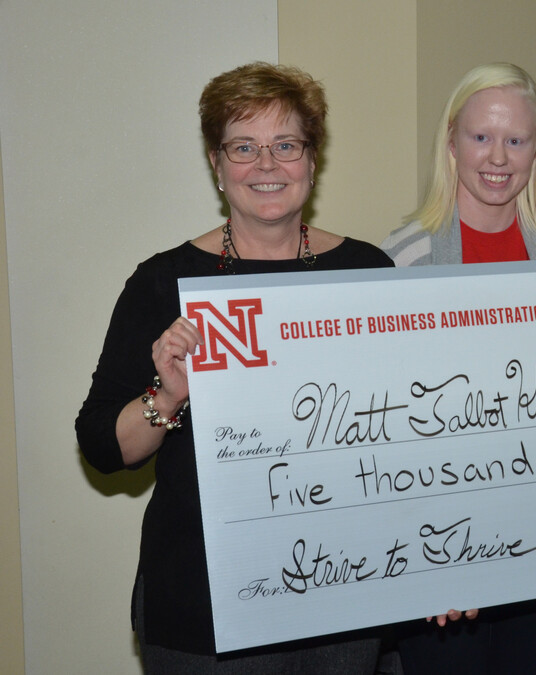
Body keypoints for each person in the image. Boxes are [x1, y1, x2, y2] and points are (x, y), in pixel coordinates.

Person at [75, 62, 394, 672]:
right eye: (244, 147)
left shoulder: (369, 271)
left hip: (346, 595)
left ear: (312, 159)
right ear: (217, 165)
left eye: (286, 145)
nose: (266, 165)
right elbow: (103, 448)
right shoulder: (161, 283)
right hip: (205, 607)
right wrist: (167, 398)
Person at [380, 62, 536, 674]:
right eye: (480, 137)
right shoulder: (401, 260)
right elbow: (385, 431)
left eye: (516, 140)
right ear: (451, 142)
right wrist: (433, 557)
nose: (498, 157)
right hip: (437, 557)